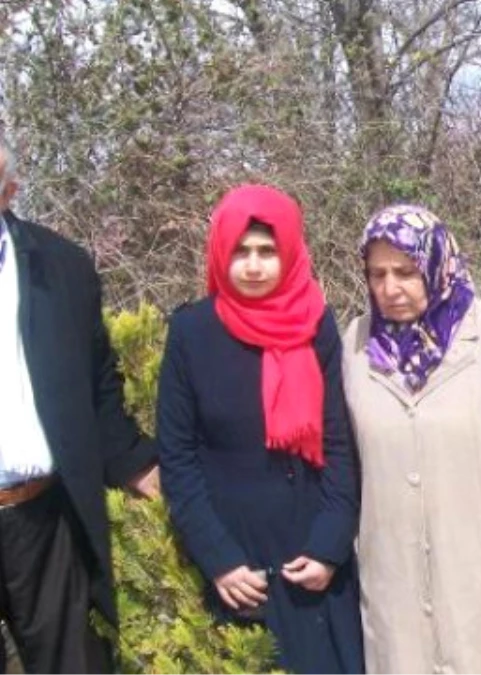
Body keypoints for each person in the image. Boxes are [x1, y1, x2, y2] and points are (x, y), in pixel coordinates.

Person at [341, 204, 481, 674]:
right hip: (398, 586)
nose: (390, 289)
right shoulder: (357, 343)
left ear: (437, 263)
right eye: (377, 274)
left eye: (405, 272)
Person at [156, 184, 363, 674]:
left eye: (267, 251)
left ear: (289, 251)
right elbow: (178, 456)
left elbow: (337, 443)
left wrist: (330, 546)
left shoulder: (316, 326)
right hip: (240, 564)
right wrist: (219, 558)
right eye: (240, 251)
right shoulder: (192, 332)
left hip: (312, 559)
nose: (253, 265)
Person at [0, 138, 159, 674]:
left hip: (45, 520)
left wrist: (139, 463)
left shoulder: (62, 268)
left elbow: (97, 388)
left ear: (9, 189)